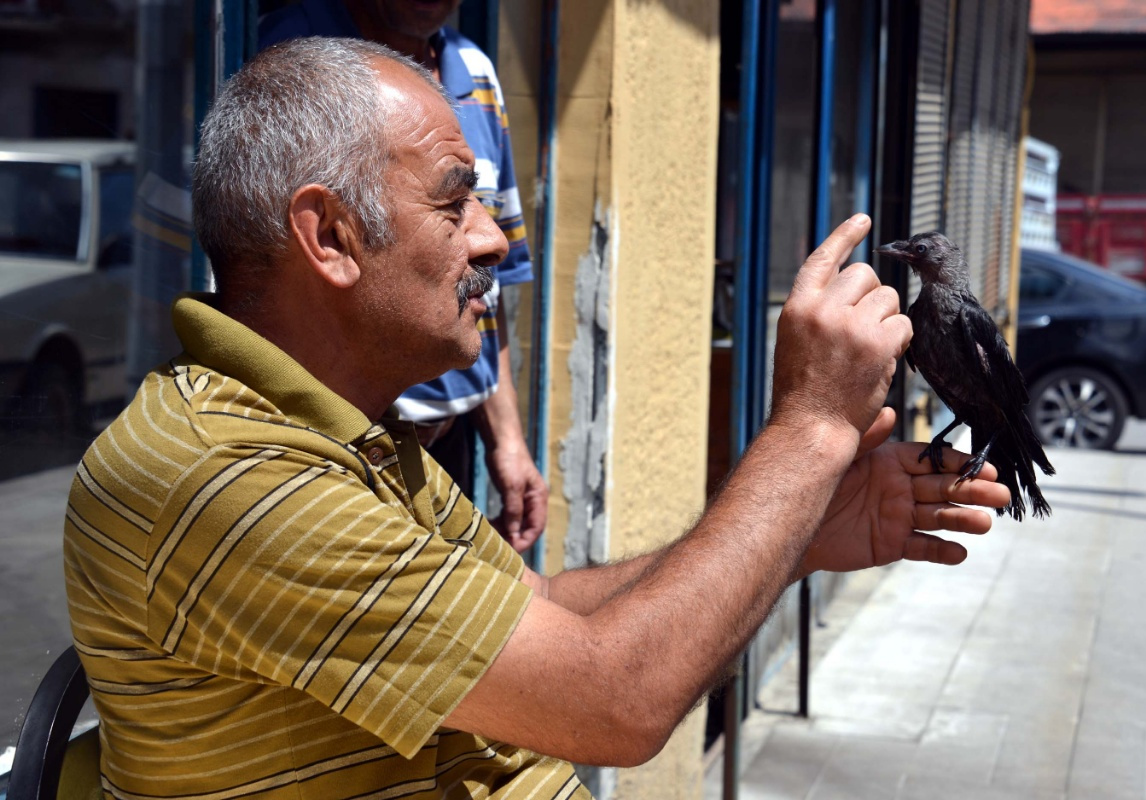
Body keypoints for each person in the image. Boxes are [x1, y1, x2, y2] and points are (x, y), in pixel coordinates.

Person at [63, 38, 1009, 799]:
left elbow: (540, 614)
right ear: (330, 237)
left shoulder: (341, 439)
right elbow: (615, 701)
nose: (492, 236)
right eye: (453, 199)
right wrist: (810, 431)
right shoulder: (231, 481)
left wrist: (797, 530)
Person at [259, 0, 547, 554]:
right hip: (339, 445)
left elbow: (488, 273)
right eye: (448, 204)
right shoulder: (291, 57)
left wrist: (507, 439)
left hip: (446, 444)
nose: (489, 238)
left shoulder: (475, 71)